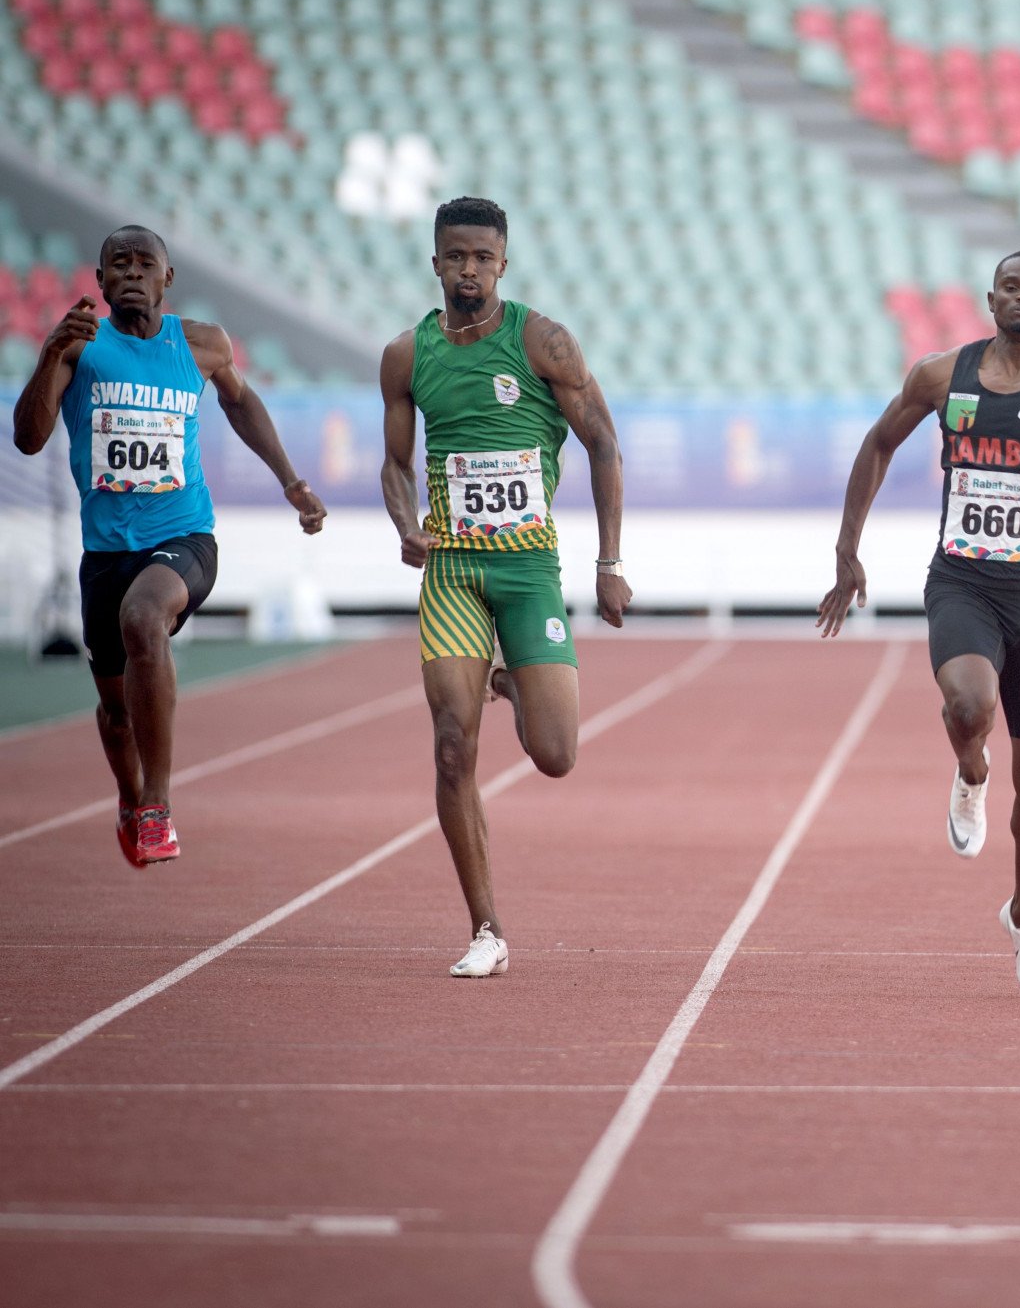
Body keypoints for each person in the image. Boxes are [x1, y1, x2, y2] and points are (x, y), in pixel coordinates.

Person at [817, 250, 1020, 998]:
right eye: (1011, 287)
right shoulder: (939, 375)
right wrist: (847, 550)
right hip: (963, 582)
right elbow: (880, 442)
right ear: (990, 299)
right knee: (968, 705)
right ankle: (970, 767)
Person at [10, 225, 327, 867]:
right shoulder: (81, 348)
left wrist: (291, 480)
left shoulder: (202, 345)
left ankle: (157, 802)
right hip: (105, 553)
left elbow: (242, 403)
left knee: (144, 617)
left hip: (183, 537)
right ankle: (129, 797)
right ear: (99, 284)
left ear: (167, 278)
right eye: (116, 265)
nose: (130, 272)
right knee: (115, 711)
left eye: (143, 262)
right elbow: (27, 439)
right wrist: (49, 353)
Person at [379, 197, 632, 978]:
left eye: (482, 258)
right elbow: (395, 463)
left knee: (554, 754)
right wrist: (405, 523)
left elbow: (602, 442)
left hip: (528, 568)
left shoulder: (543, 341)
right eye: (455, 256)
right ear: (435, 262)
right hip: (452, 568)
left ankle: (513, 684)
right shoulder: (405, 354)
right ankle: (486, 927)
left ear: (503, 263)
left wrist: (609, 562)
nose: (468, 270)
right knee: (453, 746)